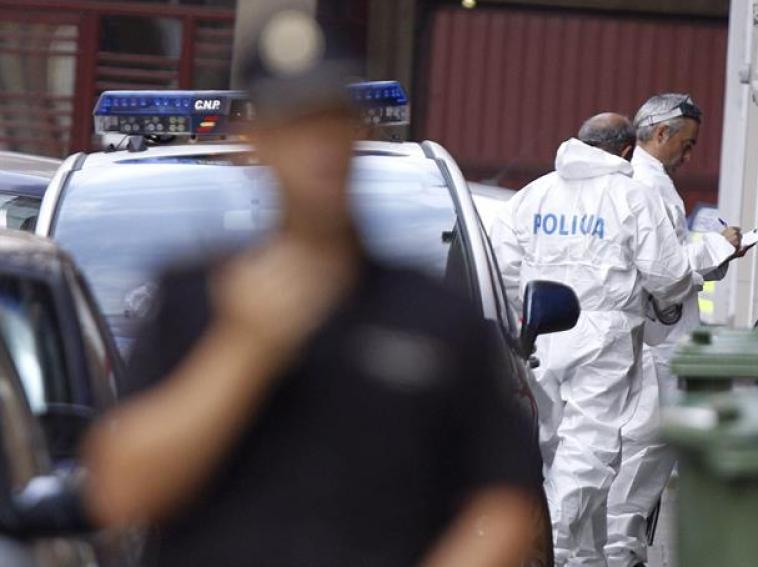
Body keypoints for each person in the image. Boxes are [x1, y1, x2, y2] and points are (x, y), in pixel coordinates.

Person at [68, 10, 540, 567]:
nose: (316, 146)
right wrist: (243, 351)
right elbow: (120, 489)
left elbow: (508, 506)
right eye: (293, 123)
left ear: (355, 132)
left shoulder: (436, 315)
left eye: (329, 120)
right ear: (256, 141)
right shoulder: (191, 300)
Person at [491, 112, 698, 566]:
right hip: (605, 336)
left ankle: (572, 553)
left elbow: (503, 270)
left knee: (552, 448)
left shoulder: (534, 195)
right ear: (627, 150)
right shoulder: (632, 196)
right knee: (590, 450)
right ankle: (552, 547)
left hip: (539, 331)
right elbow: (669, 275)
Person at [603, 94, 743, 567]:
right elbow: (666, 274)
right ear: (661, 134)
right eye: (686, 145)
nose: (689, 157)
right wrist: (716, 249)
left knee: (643, 463)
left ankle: (625, 549)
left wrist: (714, 254)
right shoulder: (642, 186)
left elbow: (674, 262)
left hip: (658, 345)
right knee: (640, 459)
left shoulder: (648, 183)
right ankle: (619, 554)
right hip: (652, 348)